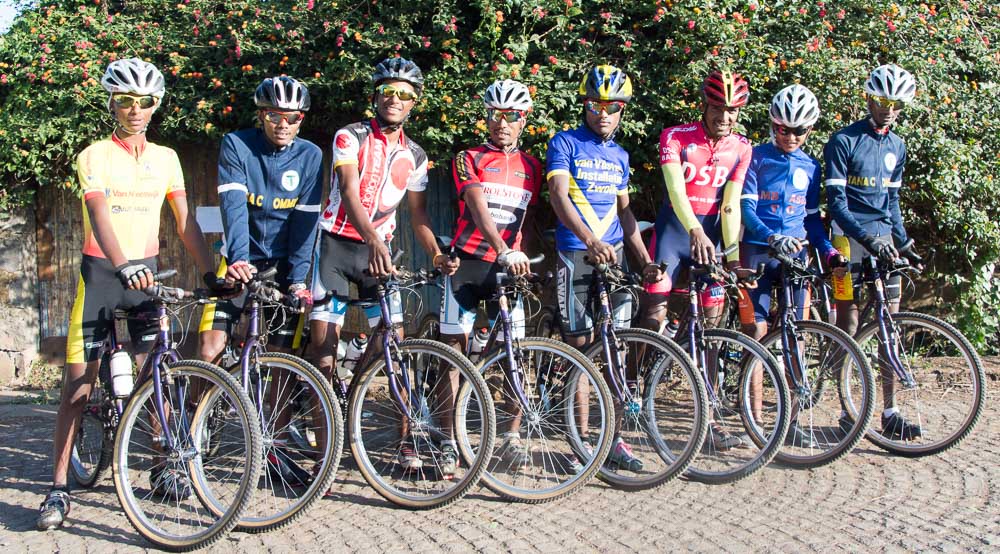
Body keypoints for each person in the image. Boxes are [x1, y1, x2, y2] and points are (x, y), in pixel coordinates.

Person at [37, 58, 216, 530]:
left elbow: (184, 223)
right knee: (77, 387)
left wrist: (212, 274)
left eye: (143, 102)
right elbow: (98, 216)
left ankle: (162, 464)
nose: (134, 110)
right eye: (124, 101)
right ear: (113, 104)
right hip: (102, 275)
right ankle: (57, 489)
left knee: (155, 375)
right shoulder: (95, 154)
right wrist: (121, 265)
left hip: (148, 277)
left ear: (155, 106)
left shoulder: (167, 159)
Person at [307, 57, 442, 471]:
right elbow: (348, 190)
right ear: (376, 95)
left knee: (395, 345)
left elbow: (418, 216)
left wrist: (436, 252)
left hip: (376, 255)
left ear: (414, 102)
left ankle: (405, 445)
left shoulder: (417, 155)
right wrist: (371, 237)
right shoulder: (350, 136)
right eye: (388, 91)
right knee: (323, 354)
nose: (394, 99)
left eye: (404, 94)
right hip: (335, 247)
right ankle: (325, 454)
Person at [547, 64, 657, 471]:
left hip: (612, 258)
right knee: (580, 351)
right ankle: (581, 444)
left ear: (622, 109)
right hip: (576, 254)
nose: (604, 113)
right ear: (585, 105)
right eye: (596, 104)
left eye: (612, 106)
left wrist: (644, 261)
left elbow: (626, 214)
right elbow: (559, 197)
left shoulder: (621, 155)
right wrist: (590, 240)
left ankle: (613, 441)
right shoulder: (565, 142)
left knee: (615, 346)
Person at [640, 69, 752, 449]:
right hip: (674, 236)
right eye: (718, 108)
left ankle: (709, 419)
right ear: (704, 107)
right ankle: (633, 398)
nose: (725, 117)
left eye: (733, 110)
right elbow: (675, 190)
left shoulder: (742, 147)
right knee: (652, 318)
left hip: (711, 243)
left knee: (711, 335)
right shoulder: (676, 137)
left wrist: (733, 258)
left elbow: (731, 204)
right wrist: (695, 230)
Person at [437, 79, 543, 475]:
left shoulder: (533, 166)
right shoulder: (468, 157)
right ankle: (448, 440)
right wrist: (503, 249)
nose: (503, 123)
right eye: (496, 114)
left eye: (512, 116)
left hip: (510, 266)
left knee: (514, 352)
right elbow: (478, 206)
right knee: (454, 355)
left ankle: (510, 438)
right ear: (486, 116)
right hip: (468, 264)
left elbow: (529, 220)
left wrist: (527, 259)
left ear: (523, 120)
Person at [739, 84, 847, 445]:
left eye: (798, 130)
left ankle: (792, 421)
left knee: (796, 335)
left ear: (809, 130)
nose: (790, 136)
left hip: (796, 254)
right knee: (756, 332)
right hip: (758, 251)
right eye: (783, 128)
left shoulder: (811, 166)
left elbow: (813, 219)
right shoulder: (755, 157)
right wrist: (771, 237)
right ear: (773, 125)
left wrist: (828, 250)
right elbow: (747, 209)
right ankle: (754, 421)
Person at [825, 64, 923, 440]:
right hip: (845, 241)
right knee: (847, 322)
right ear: (868, 98)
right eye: (881, 100)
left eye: (896, 103)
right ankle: (848, 410)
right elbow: (837, 205)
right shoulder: (843, 141)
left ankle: (890, 410)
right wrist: (868, 240)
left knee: (890, 327)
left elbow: (892, 202)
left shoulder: (898, 146)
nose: (888, 108)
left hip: (883, 241)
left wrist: (905, 241)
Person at [197, 75, 322, 363]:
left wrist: (297, 280)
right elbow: (234, 207)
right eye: (274, 115)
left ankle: (276, 409)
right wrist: (239, 259)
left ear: (300, 119)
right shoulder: (237, 144)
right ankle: (196, 406)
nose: (283, 124)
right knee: (209, 348)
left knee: (284, 357)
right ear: (261, 115)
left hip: (284, 266)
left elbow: (305, 223)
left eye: (292, 117)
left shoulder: (310, 155)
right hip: (240, 261)